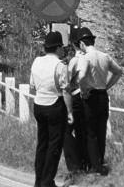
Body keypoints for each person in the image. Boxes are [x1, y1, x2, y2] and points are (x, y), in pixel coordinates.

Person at [73, 26, 123, 176]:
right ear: (92, 41)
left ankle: (94, 167)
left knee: (91, 133)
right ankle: (100, 162)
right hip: (103, 96)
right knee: (101, 131)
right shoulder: (105, 56)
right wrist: (107, 85)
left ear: (82, 44)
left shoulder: (85, 58)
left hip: (91, 96)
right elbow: (118, 71)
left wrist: (83, 90)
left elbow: (81, 77)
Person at [30, 31, 73, 187]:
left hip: (39, 105)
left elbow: (32, 85)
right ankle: (47, 182)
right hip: (55, 105)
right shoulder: (60, 65)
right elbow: (65, 90)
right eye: (62, 47)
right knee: (54, 146)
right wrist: (69, 112)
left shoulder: (36, 61)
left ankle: (38, 180)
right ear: (58, 48)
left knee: (42, 144)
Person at [63, 27, 89, 177]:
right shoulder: (93, 57)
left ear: (74, 44)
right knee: (84, 131)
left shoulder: (75, 61)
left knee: (66, 131)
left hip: (76, 97)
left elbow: (66, 82)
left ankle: (74, 166)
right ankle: (87, 163)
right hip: (90, 96)